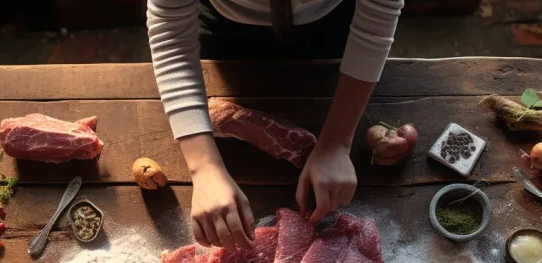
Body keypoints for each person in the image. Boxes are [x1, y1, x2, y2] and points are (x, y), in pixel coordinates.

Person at [147, 0, 404, 249]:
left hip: (332, 26)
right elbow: (171, 32)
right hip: (228, 30)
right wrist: (204, 167)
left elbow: (380, 7)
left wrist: (337, 143)